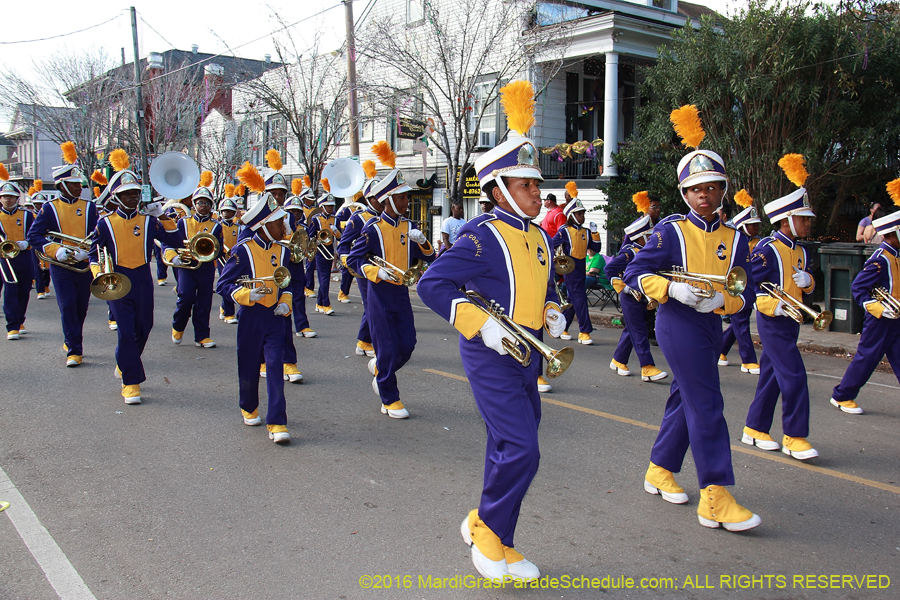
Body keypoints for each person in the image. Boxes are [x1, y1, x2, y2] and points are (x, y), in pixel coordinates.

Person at [418, 80, 564, 580]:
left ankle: (496, 532)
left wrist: (552, 311)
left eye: (535, 183)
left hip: (526, 351)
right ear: (498, 189)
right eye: (525, 184)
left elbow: (539, 289)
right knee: (522, 448)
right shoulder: (480, 235)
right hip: (490, 352)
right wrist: (481, 327)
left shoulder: (540, 237)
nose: (536, 192)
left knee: (511, 448)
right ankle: (486, 534)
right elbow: (432, 284)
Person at [624, 105, 759, 532]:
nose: (705, 195)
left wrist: (720, 304)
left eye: (712, 187)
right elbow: (633, 273)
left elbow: (745, 295)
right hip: (677, 322)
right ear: (686, 194)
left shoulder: (736, 239)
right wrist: (673, 289)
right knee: (707, 404)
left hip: (708, 322)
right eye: (696, 189)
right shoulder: (670, 231)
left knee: (687, 400)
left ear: (722, 191)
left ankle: (659, 469)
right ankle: (715, 495)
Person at [347, 141, 435, 418]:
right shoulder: (373, 228)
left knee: (407, 344)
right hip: (379, 293)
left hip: (401, 292)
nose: (406, 202)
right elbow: (352, 260)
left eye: (406, 198)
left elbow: (430, 258)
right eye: (401, 198)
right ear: (387, 201)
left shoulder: (411, 227)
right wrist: (375, 272)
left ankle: (381, 370)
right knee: (385, 346)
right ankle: (389, 397)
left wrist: (423, 244)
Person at [742, 154, 819, 461]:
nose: (808, 223)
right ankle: (795, 435)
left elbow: (806, 286)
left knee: (773, 376)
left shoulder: (800, 251)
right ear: (786, 220)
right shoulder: (767, 249)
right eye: (803, 218)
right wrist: (776, 307)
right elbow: (750, 287)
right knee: (795, 376)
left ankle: (755, 428)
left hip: (793, 320)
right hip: (773, 321)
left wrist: (808, 280)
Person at [90, 165, 183, 403]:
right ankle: (131, 382)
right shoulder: (105, 223)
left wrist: (161, 214)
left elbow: (175, 239)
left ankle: (125, 363)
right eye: (127, 194)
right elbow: (93, 253)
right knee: (126, 330)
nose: (133, 197)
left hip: (142, 277)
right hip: (117, 278)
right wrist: (97, 273)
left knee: (145, 326)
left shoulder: (148, 221)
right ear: (116, 197)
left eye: (135, 193)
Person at [216, 186, 295, 444]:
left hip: (274, 317)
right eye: (277, 221)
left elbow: (288, 283)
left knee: (274, 365)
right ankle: (248, 405)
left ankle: (277, 421)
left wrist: (285, 301)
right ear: (263, 225)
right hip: (251, 317)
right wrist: (245, 295)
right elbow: (223, 285)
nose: (284, 224)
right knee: (249, 366)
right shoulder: (242, 251)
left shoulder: (283, 250)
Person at [28, 142, 98, 368]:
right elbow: (34, 235)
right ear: (62, 186)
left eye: (79, 184)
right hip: (60, 265)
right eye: (74, 184)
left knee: (81, 307)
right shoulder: (49, 208)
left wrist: (86, 251)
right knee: (67, 305)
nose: (79, 187)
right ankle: (75, 349)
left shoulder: (89, 207)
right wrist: (56, 250)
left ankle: (71, 339)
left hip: (83, 263)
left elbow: (97, 235)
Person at [829, 196, 900, 414]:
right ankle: (841, 395)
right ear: (892, 232)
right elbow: (858, 288)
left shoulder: (896, 255)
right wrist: (879, 308)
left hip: (895, 318)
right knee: (866, 359)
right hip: (880, 320)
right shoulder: (881, 258)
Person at [606, 214, 667, 382]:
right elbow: (610, 269)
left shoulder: (647, 251)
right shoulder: (630, 252)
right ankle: (647, 367)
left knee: (633, 330)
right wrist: (623, 288)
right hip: (631, 297)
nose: (652, 237)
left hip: (644, 297)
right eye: (649, 235)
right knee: (639, 331)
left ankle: (618, 360)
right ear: (641, 237)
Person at [164, 181, 223, 349]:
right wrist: (174, 257)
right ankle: (178, 325)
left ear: (211, 206)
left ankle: (202, 336)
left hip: (205, 267)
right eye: (200, 203)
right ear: (194, 204)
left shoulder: (216, 226)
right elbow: (172, 243)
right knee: (186, 297)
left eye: (206, 203)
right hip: (187, 266)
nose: (203, 206)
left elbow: (218, 248)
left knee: (204, 301)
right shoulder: (183, 222)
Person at [336, 162, 380, 358]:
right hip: (363, 267)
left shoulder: (386, 218)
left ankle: (365, 341)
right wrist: (349, 262)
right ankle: (366, 342)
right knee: (371, 304)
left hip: (381, 268)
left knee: (377, 305)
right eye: (380, 196)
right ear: (370, 197)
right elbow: (343, 244)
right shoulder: (359, 217)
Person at [552, 191, 602, 345]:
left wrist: (595, 233)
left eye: (582, 213)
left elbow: (597, 248)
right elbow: (552, 244)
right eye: (579, 214)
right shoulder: (564, 231)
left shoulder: (586, 231)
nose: (582, 216)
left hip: (581, 268)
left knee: (573, 300)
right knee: (580, 298)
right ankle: (584, 331)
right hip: (570, 269)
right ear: (571, 216)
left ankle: (562, 328)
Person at [719, 196, 761, 373]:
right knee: (741, 323)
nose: (756, 227)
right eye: (753, 225)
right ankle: (748, 360)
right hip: (735, 288)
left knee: (738, 323)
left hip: (751, 287)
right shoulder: (732, 241)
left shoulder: (759, 242)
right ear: (743, 226)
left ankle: (720, 350)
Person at [0, 173, 33, 341]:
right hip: (4, 258)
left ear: (17, 199)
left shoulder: (27, 215)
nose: (7, 200)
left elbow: (35, 234)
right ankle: (12, 325)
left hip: (24, 255)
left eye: (11, 197)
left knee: (24, 289)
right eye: (5, 197)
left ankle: (20, 320)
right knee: (10, 289)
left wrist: (26, 243)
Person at [307, 191, 339, 315]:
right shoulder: (316, 220)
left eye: (332, 206)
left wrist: (336, 231)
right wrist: (316, 241)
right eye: (328, 206)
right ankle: (326, 304)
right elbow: (310, 236)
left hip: (330, 249)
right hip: (320, 251)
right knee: (324, 278)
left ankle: (319, 303)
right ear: (322, 207)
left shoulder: (335, 219)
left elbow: (341, 237)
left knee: (325, 278)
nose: (331, 208)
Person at [217, 187, 242, 324]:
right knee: (226, 282)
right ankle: (229, 313)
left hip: (234, 258)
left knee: (234, 283)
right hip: (221, 257)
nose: (227, 213)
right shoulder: (217, 225)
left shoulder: (238, 227)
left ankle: (223, 307)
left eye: (230, 211)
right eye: (225, 211)